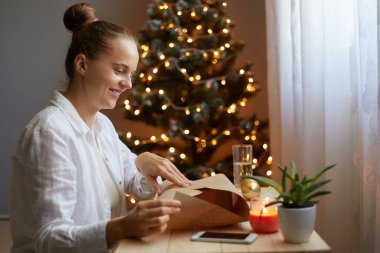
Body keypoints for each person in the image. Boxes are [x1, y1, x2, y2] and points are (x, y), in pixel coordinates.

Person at [9, 3, 192, 253]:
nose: (128, 84)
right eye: (119, 70)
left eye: (132, 74)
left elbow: (133, 179)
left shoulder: (102, 125)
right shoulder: (49, 133)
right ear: (82, 65)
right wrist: (122, 227)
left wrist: (145, 164)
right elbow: (49, 239)